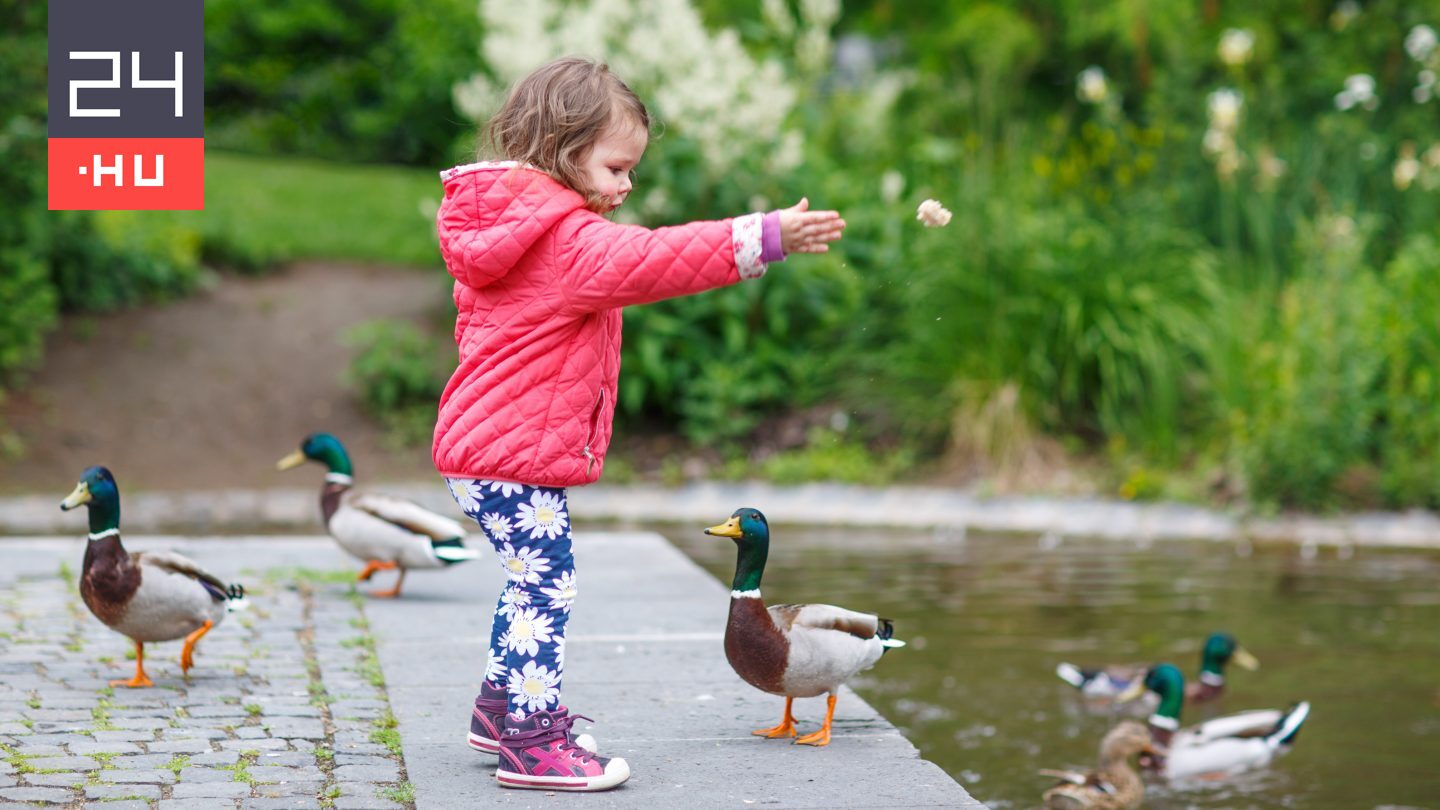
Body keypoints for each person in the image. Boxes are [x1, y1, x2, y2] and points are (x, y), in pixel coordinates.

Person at [434, 56, 845, 792]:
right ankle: (528, 744)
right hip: (509, 454)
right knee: (545, 588)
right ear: (565, 150)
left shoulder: (506, 227)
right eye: (616, 166)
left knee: (530, 581)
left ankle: (502, 708)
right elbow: (658, 258)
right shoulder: (567, 242)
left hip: (483, 447)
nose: (626, 185)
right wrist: (765, 236)